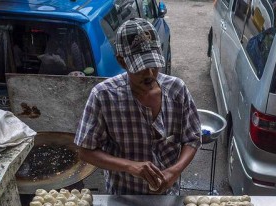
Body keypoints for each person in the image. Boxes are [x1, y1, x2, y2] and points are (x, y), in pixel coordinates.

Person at [74, 18, 201, 195]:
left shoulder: (177, 90)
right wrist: (130, 166)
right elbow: (85, 151)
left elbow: (192, 138)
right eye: (140, 67)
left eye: (153, 64)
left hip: (168, 196)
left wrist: (174, 171)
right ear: (122, 62)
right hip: (123, 196)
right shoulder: (103, 96)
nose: (149, 74)